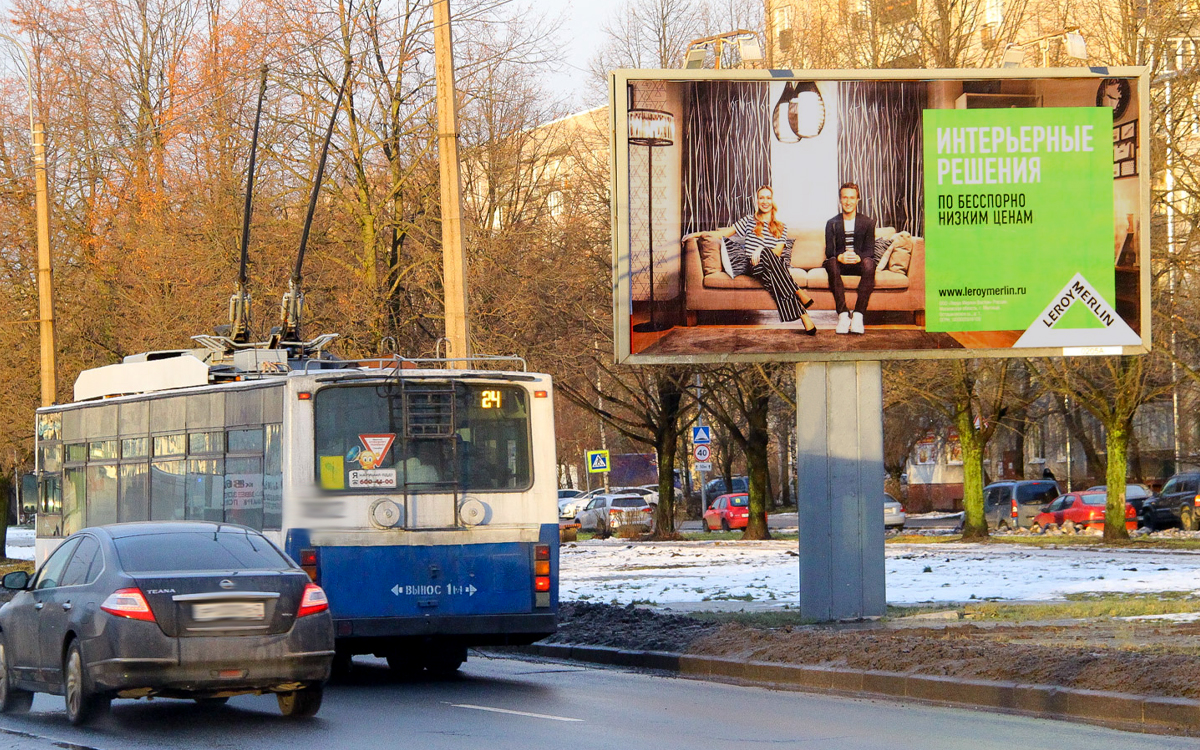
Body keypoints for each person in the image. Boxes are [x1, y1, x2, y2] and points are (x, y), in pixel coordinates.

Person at [702, 186, 817, 335]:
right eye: (761, 198)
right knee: (772, 265)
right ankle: (797, 290)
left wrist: (761, 249)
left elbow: (777, 252)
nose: (765, 201)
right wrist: (697, 235)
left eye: (768, 198)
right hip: (754, 266)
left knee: (773, 276)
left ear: (772, 201)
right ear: (757, 201)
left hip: (773, 266)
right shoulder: (749, 221)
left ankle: (804, 316)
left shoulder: (781, 226)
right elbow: (724, 233)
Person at [824, 182, 877, 335]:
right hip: (841, 263)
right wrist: (840, 257)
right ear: (840, 200)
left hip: (858, 263)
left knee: (870, 263)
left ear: (858, 200)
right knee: (831, 262)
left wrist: (858, 257)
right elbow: (829, 251)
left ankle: (859, 315)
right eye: (845, 197)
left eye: (852, 198)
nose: (848, 201)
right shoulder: (831, 223)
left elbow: (870, 250)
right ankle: (843, 315)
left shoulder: (868, 222)